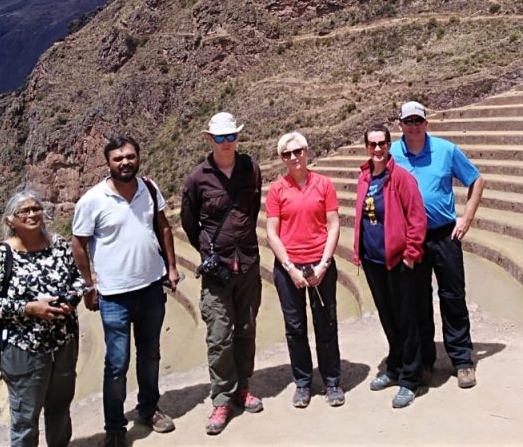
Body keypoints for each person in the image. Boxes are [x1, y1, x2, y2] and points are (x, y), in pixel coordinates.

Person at [71, 136, 180, 447]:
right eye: (118, 158)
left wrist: (171, 267)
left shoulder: (149, 188)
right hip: (114, 296)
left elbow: (164, 227)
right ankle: (115, 426)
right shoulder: (93, 200)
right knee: (117, 364)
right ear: (108, 163)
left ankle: (148, 409)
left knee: (150, 355)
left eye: (130, 156)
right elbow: (79, 244)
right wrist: (88, 285)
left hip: (150, 287)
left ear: (138, 157)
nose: (125, 162)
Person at [389, 100, 486, 389]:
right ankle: (425, 361)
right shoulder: (392, 154)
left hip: (445, 235)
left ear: (426, 123)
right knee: (418, 300)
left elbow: (477, 180)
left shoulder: (446, 150)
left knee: (452, 296)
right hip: (411, 238)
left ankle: (462, 360)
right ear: (401, 125)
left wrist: (466, 219)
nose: (414, 126)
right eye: (409, 122)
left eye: (419, 121)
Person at [0, 188, 82, 447]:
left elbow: (78, 279)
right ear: (10, 220)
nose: (32, 214)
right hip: (24, 349)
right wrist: (29, 308)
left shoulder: (58, 245)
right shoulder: (3, 255)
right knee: (26, 417)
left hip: (63, 343)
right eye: (24, 210)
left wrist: (71, 298)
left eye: (36, 208)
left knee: (60, 408)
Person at [181, 112, 264, 435]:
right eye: (220, 138)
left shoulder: (250, 169)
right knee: (219, 335)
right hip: (217, 270)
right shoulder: (197, 178)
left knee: (246, 328)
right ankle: (221, 397)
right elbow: (189, 223)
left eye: (231, 137)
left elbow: (252, 209)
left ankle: (243, 387)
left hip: (247, 263)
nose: (227, 143)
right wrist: (208, 250)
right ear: (209, 139)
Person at [265, 131, 344, 409]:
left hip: (320, 264)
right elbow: (272, 233)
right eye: (287, 154)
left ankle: (332, 380)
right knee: (295, 327)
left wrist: (324, 264)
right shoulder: (277, 189)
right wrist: (290, 268)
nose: (294, 157)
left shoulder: (324, 184)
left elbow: (333, 225)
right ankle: (302, 382)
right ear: (281, 158)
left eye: (297, 151)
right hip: (289, 268)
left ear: (307, 151)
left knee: (326, 324)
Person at [354, 124, 427, 408]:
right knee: (388, 318)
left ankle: (411, 378)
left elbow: (417, 218)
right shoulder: (364, 178)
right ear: (366, 147)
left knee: (407, 320)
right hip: (373, 261)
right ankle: (394, 367)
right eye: (372, 145)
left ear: (389, 145)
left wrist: (410, 254)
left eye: (382, 144)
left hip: (398, 261)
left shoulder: (401, 178)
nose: (377, 149)